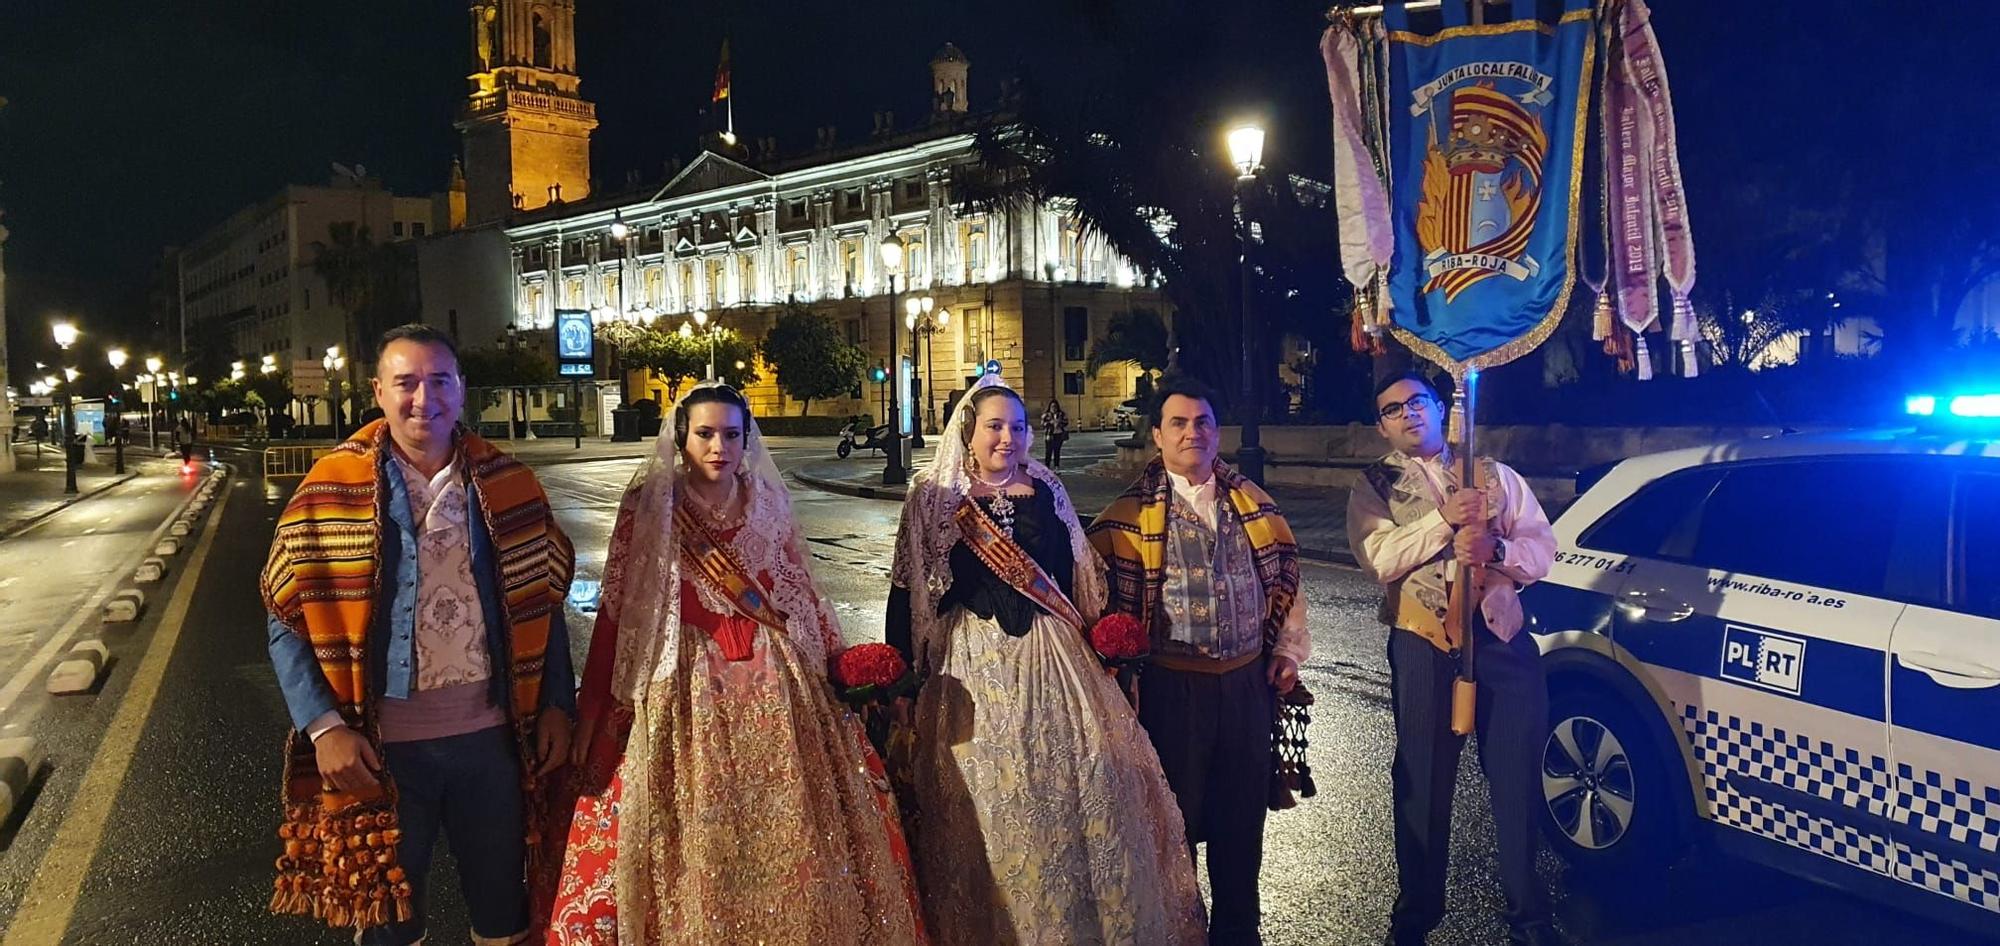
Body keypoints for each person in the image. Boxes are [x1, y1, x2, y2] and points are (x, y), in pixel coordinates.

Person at [539, 383, 924, 945]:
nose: (719, 446)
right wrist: (596, 702)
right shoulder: (652, 501)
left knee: (790, 816)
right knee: (697, 820)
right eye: (705, 434)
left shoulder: (767, 499)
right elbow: (624, 604)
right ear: (682, 437)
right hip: (687, 676)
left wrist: (840, 665)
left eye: (731, 434)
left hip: (776, 674)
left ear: (747, 439)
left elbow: (802, 590)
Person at [262, 323, 577, 946]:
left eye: (439, 381)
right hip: (381, 749)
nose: (422, 399)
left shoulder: (510, 484)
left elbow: (543, 606)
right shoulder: (329, 490)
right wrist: (324, 727)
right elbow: (286, 620)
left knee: (505, 912)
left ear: (462, 391)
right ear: (378, 391)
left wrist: (557, 708)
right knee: (388, 922)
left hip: (492, 742)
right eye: (405, 383)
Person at [889, 374, 1205, 946]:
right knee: (992, 804)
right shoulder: (935, 501)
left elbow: (1079, 579)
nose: (1006, 438)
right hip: (974, 666)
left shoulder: (1048, 489)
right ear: (969, 431)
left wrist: (1110, 648)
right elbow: (908, 590)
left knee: (1077, 789)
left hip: (1057, 658)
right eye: (994, 427)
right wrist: (904, 679)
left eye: (1017, 426)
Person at [1086, 377, 1310, 946]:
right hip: (1170, 692)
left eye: (1203, 422)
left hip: (1245, 689)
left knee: (1241, 829)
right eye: (1179, 424)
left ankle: (1239, 935)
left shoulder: (1256, 507)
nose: (1193, 432)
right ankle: (1180, 932)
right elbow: (1094, 611)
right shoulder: (1123, 520)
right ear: (1157, 435)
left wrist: (1285, 652)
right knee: (1173, 826)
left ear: (1217, 432)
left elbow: (1286, 585)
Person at [1345, 371, 1561, 946]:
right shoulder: (1374, 487)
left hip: (1500, 640)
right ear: (1382, 425)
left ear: (1440, 409)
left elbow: (1543, 548)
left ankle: (1529, 918)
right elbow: (1381, 557)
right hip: (1423, 644)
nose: (1408, 413)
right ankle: (1413, 919)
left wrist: (1498, 548)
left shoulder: (1495, 476)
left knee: (1516, 778)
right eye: (1393, 409)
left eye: (1417, 402)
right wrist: (1446, 522)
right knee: (1422, 779)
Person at [1040, 398, 1070, 467]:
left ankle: (1056, 466)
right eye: (1052, 406)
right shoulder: (1046, 415)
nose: (1054, 408)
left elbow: (1066, 422)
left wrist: (1059, 423)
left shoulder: (1061, 414)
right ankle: (1047, 467)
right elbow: (1042, 424)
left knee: (1057, 451)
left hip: (1058, 435)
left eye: (1055, 406)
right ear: (1050, 407)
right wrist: (1051, 423)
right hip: (1049, 435)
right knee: (1048, 452)